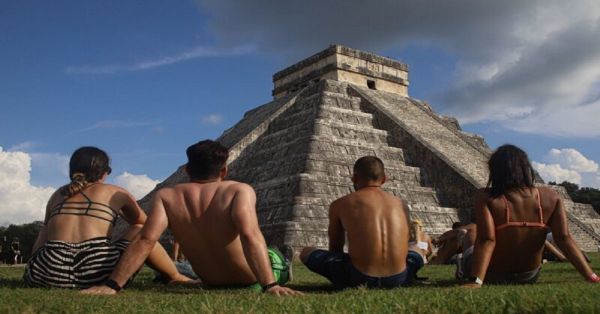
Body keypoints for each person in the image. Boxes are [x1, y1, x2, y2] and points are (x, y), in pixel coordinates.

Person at [82, 140, 301, 296]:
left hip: (210, 280)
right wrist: (271, 285)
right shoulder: (238, 190)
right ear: (223, 171)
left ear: (187, 169)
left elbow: (145, 239)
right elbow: (250, 235)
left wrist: (112, 285)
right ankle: (283, 262)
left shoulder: (166, 196)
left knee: (182, 267)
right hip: (250, 277)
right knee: (274, 253)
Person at [24, 146, 190, 288]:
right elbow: (146, 227)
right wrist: (119, 211)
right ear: (103, 173)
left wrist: (33, 266)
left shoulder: (57, 195)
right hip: (95, 272)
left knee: (49, 229)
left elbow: (44, 234)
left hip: (46, 273)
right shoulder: (114, 192)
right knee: (140, 230)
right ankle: (175, 276)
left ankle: (38, 270)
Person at [461, 144, 599, 287]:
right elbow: (564, 238)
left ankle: (464, 270)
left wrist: (476, 282)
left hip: (492, 273)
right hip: (528, 276)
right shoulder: (551, 196)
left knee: (471, 235)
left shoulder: (486, 196)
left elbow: (487, 239)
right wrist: (591, 276)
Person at [300, 156, 423, 289]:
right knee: (419, 247)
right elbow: (404, 244)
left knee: (306, 252)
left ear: (354, 178)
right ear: (384, 179)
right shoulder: (401, 204)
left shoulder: (340, 204)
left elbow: (336, 249)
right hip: (399, 278)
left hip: (359, 278)